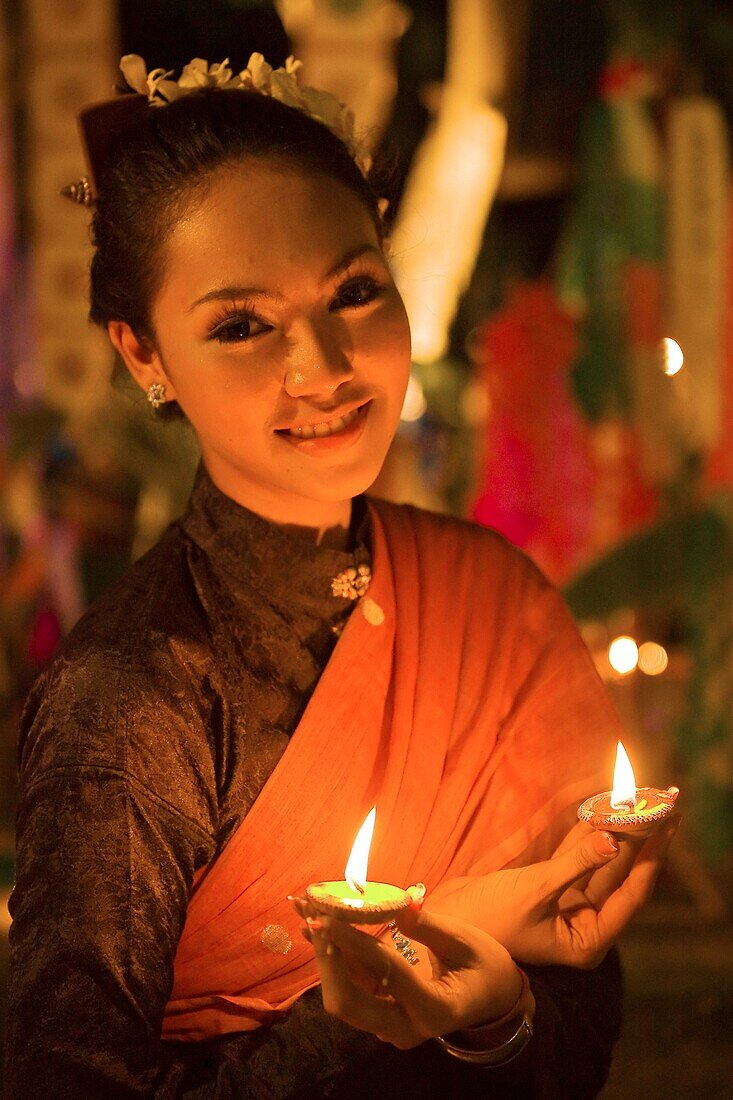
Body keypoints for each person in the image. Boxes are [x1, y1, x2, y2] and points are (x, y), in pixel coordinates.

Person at [5, 53, 678, 1099]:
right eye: (241, 324)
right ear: (143, 354)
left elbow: (582, 1016)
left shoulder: (490, 600)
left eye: (353, 291)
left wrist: (495, 1015)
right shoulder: (134, 696)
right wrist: (376, 1003)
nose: (324, 365)